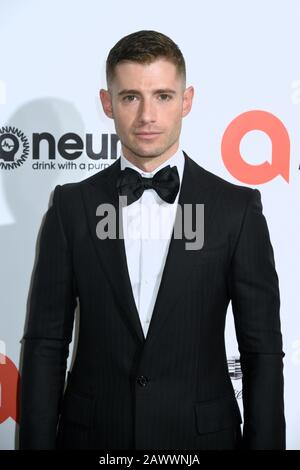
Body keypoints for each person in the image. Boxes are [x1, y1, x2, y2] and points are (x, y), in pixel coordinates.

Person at [19, 30, 285, 450]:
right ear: (107, 104)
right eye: (130, 97)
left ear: (187, 100)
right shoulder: (72, 206)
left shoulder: (236, 208)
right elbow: (45, 344)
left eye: (162, 95)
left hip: (202, 441)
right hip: (93, 438)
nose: (147, 115)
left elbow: (263, 352)